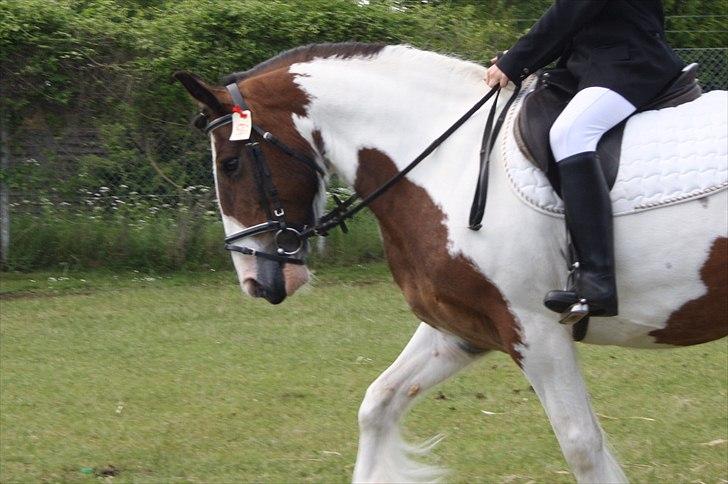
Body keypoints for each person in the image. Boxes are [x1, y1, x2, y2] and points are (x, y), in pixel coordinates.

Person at [485, 0, 684, 320]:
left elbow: (571, 10)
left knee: (571, 133)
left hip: (629, 61)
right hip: (596, 64)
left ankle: (598, 279)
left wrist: (516, 61)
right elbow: (577, 23)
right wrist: (520, 59)